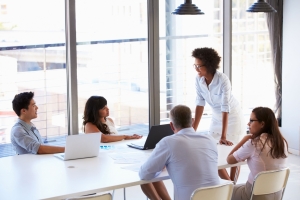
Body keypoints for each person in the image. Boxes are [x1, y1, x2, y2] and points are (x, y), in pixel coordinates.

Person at [139, 105, 220, 200]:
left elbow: (144, 174)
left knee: (144, 181)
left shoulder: (168, 142)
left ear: (171, 125)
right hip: (217, 197)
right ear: (193, 121)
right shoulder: (210, 139)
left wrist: (161, 165)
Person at [192, 47, 245, 180]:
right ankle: (228, 186)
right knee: (211, 152)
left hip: (232, 117)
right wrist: (192, 131)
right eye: (195, 65)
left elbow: (225, 107)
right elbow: (199, 104)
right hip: (216, 118)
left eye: (199, 66)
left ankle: (233, 185)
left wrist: (223, 135)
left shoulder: (223, 80)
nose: (196, 69)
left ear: (209, 65)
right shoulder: (198, 80)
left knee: (234, 154)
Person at [227, 107, 288, 200]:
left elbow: (229, 159)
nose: (248, 124)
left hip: (255, 194)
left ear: (262, 124)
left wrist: (245, 139)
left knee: (225, 191)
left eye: (251, 120)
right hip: (277, 193)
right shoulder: (282, 142)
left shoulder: (254, 143)